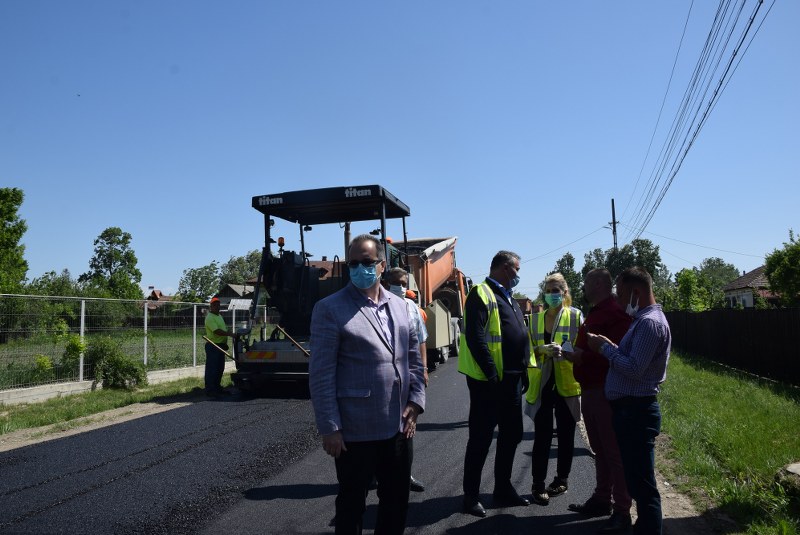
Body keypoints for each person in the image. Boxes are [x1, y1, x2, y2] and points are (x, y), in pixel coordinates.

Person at [309, 234, 426, 535]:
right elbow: (321, 374)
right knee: (351, 506)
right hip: (354, 430)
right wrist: (330, 427)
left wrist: (416, 402)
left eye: (367, 262)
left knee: (396, 502)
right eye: (353, 263)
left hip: (399, 426)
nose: (359, 268)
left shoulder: (401, 307)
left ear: (382, 265)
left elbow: (413, 358)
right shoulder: (330, 308)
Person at [586, 266, 671, 535]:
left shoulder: (649, 323)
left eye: (621, 294)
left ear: (636, 293)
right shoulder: (641, 320)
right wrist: (611, 347)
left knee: (643, 486)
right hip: (629, 410)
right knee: (636, 481)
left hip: (636, 411)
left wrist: (604, 348)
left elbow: (634, 369)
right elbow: (632, 360)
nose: (619, 300)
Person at [458, 250, 532, 517]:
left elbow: (519, 336)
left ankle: (503, 488)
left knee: (512, 435)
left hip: (512, 379)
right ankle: (470, 496)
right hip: (489, 383)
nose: (518, 274)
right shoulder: (481, 293)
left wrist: (523, 370)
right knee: (480, 439)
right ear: (504, 268)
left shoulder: (508, 296)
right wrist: (491, 374)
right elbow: (476, 337)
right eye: (516, 269)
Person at [564, 268, 633, 534]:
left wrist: (582, 356)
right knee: (600, 449)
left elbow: (618, 353)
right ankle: (602, 498)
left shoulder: (615, 313)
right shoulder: (595, 312)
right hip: (591, 389)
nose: (583, 287)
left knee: (614, 452)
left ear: (597, 284)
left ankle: (622, 510)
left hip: (606, 390)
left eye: (586, 282)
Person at [524, 273, 583, 506]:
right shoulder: (534, 320)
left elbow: (584, 349)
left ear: (565, 292)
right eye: (548, 291)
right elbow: (526, 351)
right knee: (542, 436)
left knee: (567, 435)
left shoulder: (576, 316)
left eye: (556, 290)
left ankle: (561, 480)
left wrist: (567, 352)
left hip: (567, 383)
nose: (551, 295)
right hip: (542, 385)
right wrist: (540, 350)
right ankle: (538, 484)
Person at [382, 267, 428, 493]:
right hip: (383, 378)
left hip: (407, 376)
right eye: (396, 282)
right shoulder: (374, 306)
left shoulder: (411, 308)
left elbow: (421, 340)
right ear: (385, 282)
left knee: (406, 426)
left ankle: (404, 475)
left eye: (403, 283)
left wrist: (424, 369)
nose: (400, 287)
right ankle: (376, 475)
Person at [204, 296, 236, 398]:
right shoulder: (210, 318)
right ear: (211, 306)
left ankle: (217, 388)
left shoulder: (219, 316)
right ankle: (210, 390)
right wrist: (229, 334)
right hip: (213, 346)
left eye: (218, 305)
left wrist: (228, 334)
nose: (217, 307)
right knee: (212, 369)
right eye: (215, 305)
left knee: (219, 368)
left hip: (220, 346)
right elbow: (216, 331)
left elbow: (223, 329)